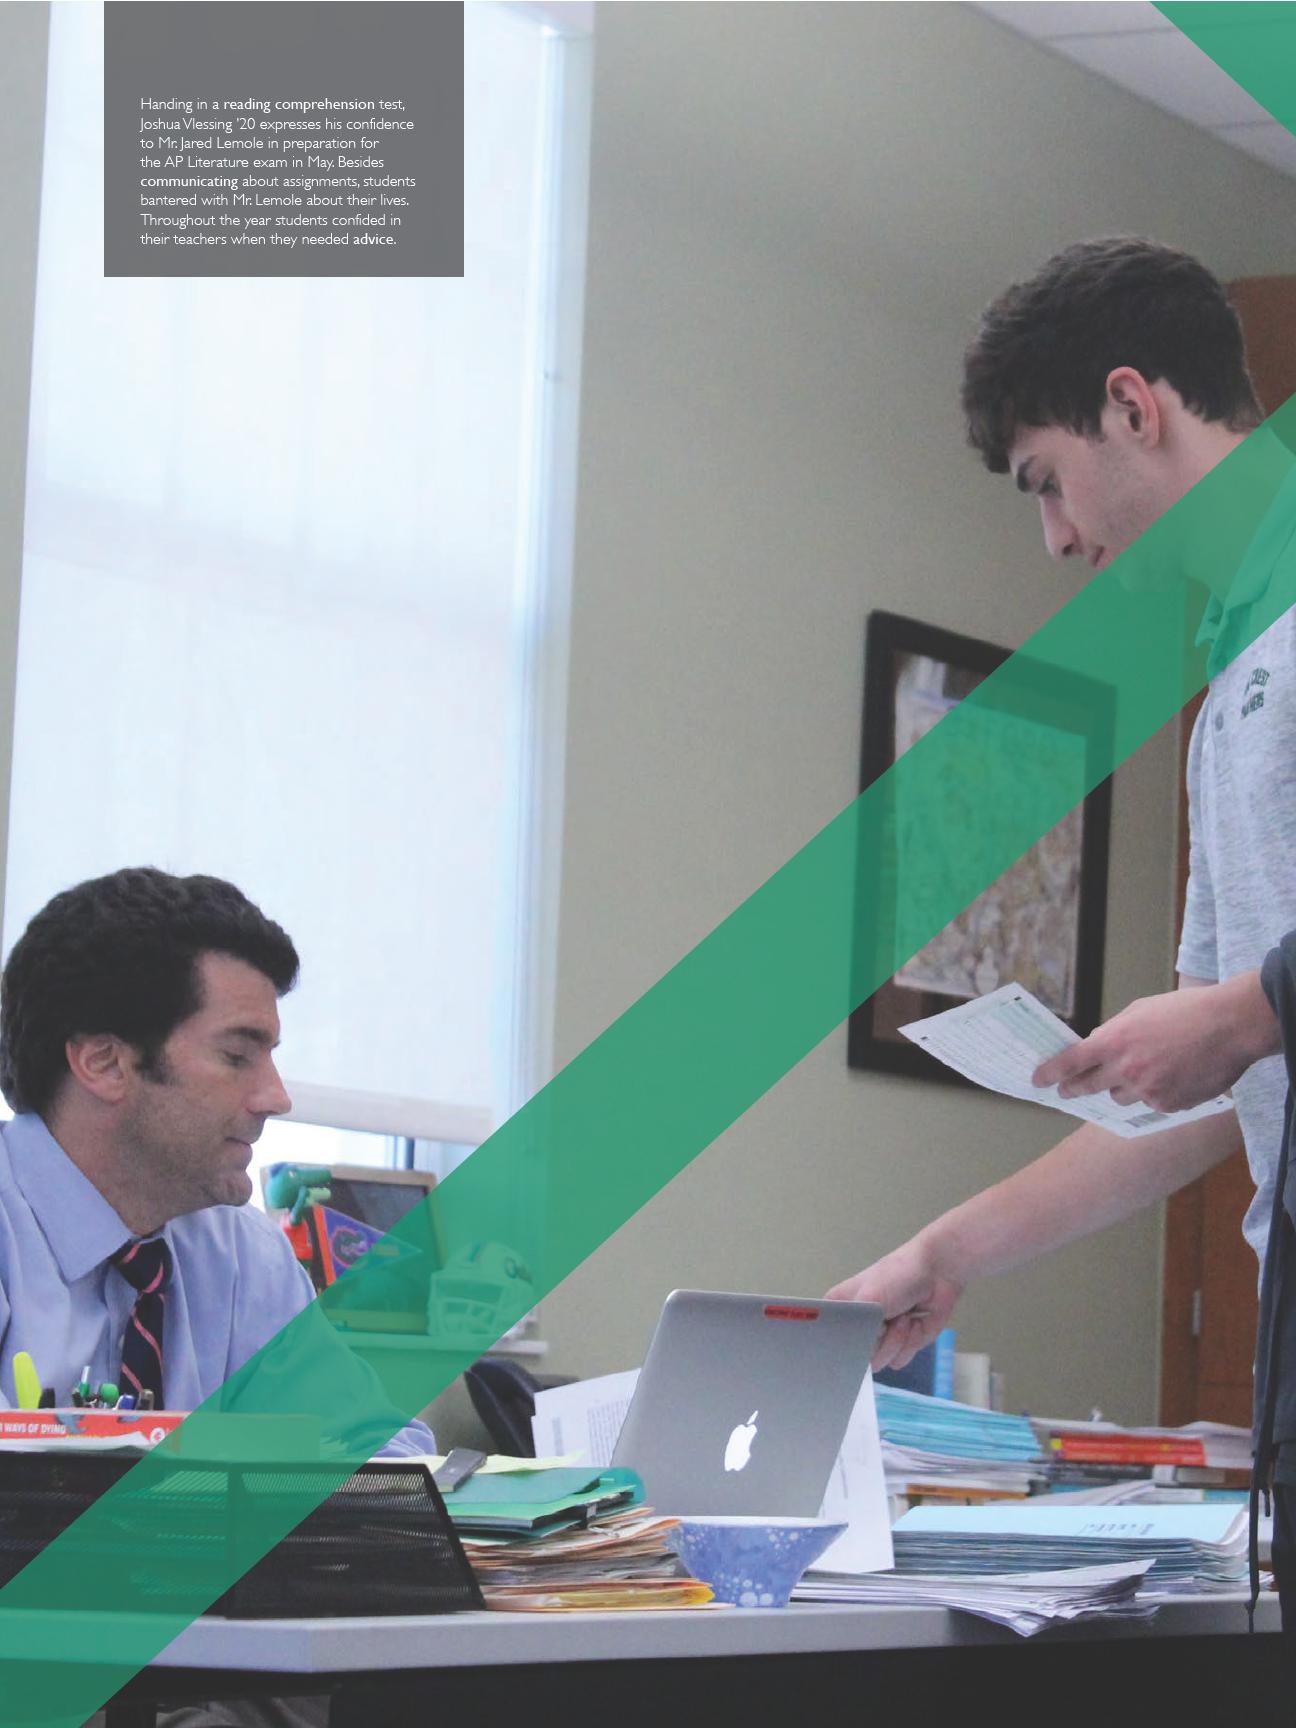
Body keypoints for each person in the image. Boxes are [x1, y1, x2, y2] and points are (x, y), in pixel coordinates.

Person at [828, 237, 1296, 1618]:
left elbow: (1241, 1028)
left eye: (1046, 479)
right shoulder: (1232, 680)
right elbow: (1204, 1098)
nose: (1058, 538)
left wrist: (1247, 1010)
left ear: (1133, 407)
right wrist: (947, 1253)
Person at [0, 865, 435, 1453]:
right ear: (104, 1063)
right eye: (236, 1057)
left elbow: (383, 1452)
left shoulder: (242, 1255)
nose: (276, 1098)